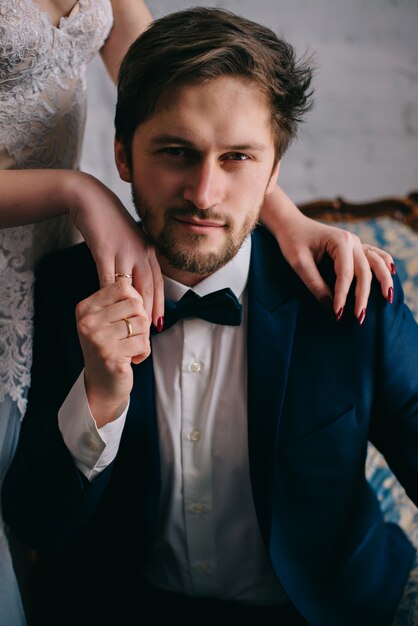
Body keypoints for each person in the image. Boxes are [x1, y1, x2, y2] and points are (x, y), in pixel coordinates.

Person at [0, 5, 406, 626]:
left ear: (275, 171)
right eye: (176, 152)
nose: (203, 194)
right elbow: (35, 525)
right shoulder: (63, 293)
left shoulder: (351, 294)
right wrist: (100, 399)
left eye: (238, 158)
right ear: (123, 157)